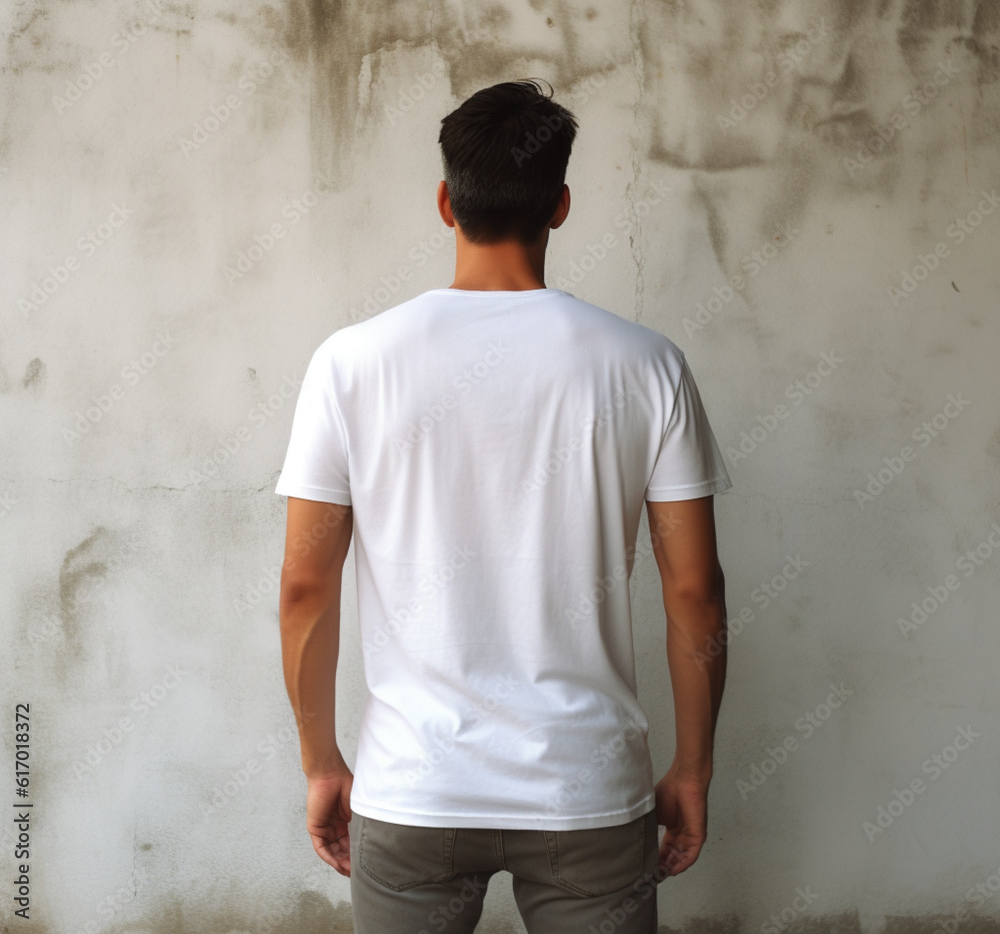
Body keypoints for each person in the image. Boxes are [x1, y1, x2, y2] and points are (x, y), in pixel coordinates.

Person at [274, 78, 732, 934]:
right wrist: (693, 770)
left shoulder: (351, 364)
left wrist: (321, 764)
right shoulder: (646, 365)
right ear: (560, 206)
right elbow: (695, 592)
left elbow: (306, 587)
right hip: (585, 790)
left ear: (446, 202)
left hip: (414, 787)